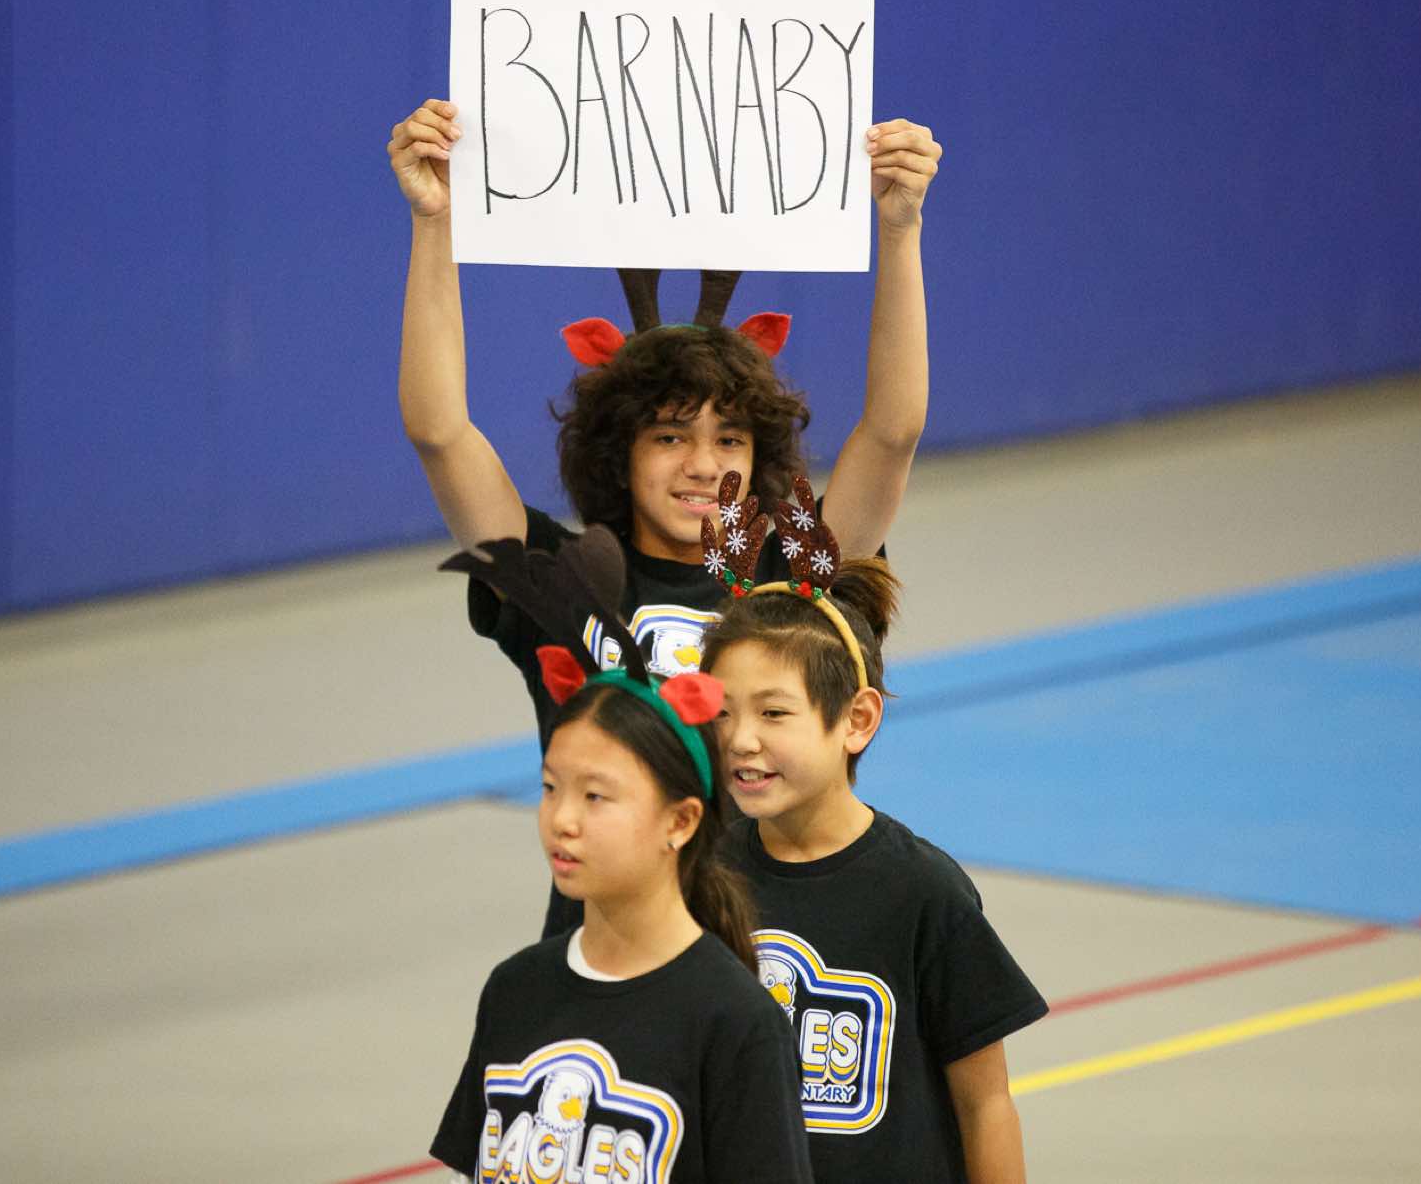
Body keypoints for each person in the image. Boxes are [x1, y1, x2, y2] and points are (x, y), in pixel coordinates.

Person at [390, 97, 939, 934]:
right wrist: (434, 222)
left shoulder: (794, 575)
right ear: (620, 451)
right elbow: (439, 432)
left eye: (730, 437)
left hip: (771, 962)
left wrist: (899, 230)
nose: (704, 464)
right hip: (605, 959)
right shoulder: (564, 582)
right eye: (670, 435)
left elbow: (893, 433)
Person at [430, 528, 811, 1184]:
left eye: (596, 796)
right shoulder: (516, 990)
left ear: (680, 821)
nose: (562, 819)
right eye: (550, 788)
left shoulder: (734, 1020)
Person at [699, 473, 1044, 1184]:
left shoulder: (923, 891)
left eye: (773, 713)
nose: (740, 739)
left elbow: (985, 1103)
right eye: (723, 712)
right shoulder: (701, 879)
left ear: (856, 719)